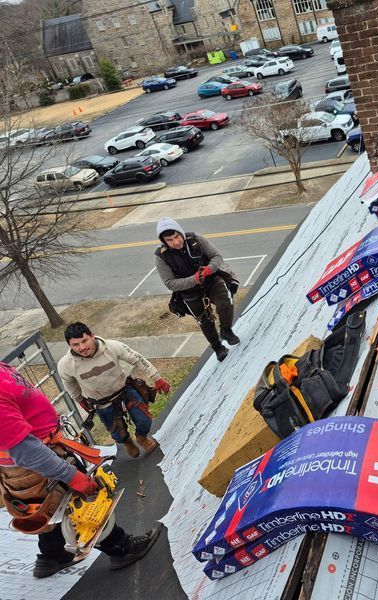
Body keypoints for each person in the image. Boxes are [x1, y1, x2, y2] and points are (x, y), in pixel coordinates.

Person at [0, 362, 161, 578]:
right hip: (38, 462)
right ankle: (121, 548)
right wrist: (70, 475)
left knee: (52, 507)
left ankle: (52, 556)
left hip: (41, 455)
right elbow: (23, 449)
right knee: (80, 504)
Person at [57, 323, 170, 458]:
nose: (82, 347)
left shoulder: (112, 346)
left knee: (144, 420)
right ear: (69, 345)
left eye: (84, 341)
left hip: (125, 391)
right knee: (117, 433)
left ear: (92, 336)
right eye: (75, 345)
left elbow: (137, 359)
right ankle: (128, 442)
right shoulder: (65, 365)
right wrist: (80, 400)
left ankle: (142, 438)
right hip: (102, 402)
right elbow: (69, 384)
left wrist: (157, 378)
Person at [154, 217, 240, 362]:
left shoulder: (196, 239)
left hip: (211, 280)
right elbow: (170, 283)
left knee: (225, 302)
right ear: (164, 242)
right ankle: (217, 347)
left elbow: (216, 257)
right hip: (189, 292)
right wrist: (193, 279)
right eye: (170, 240)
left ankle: (226, 330)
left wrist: (208, 270)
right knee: (204, 321)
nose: (176, 242)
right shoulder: (161, 257)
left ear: (181, 233)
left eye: (177, 236)